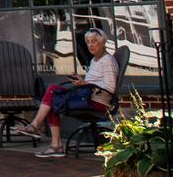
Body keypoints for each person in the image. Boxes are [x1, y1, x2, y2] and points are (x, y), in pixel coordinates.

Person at [18, 28, 118, 158]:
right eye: (88, 42)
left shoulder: (108, 61)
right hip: (88, 96)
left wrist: (85, 84)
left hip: (98, 102)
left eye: (94, 41)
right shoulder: (95, 60)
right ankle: (49, 139)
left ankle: (46, 135)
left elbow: (110, 88)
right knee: (54, 96)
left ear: (102, 42)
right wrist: (81, 80)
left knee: (54, 93)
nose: (90, 45)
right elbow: (93, 82)